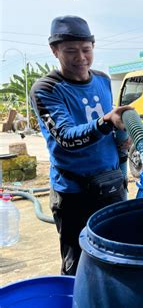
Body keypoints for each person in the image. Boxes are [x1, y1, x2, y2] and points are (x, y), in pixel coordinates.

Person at [30, 15, 133, 275]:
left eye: (86, 49)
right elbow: (66, 137)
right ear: (55, 50)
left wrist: (123, 138)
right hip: (74, 193)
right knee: (78, 266)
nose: (81, 57)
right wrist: (106, 122)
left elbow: (112, 128)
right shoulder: (47, 89)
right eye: (71, 51)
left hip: (110, 186)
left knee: (116, 255)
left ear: (93, 47)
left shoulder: (102, 79)